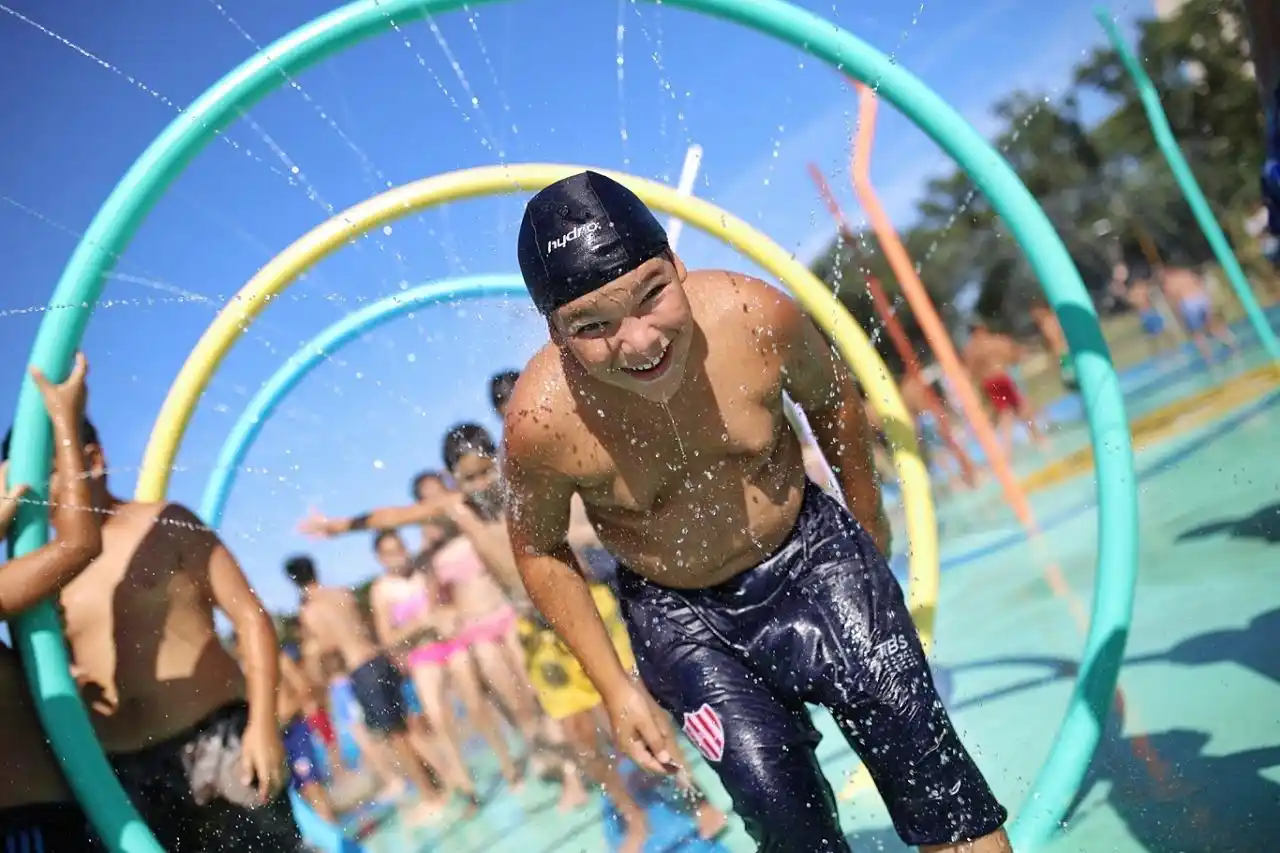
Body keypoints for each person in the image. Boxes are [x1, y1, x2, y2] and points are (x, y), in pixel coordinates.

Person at [502, 171, 1010, 852]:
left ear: (678, 265)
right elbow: (538, 547)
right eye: (592, 327)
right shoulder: (541, 421)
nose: (640, 343)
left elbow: (832, 397)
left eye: (652, 295)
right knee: (781, 814)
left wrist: (866, 519)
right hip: (681, 616)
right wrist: (615, 688)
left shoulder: (755, 317)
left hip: (812, 553)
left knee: (929, 764)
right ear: (556, 332)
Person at [35, 384, 301, 852]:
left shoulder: (164, 524)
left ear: (93, 459)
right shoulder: (46, 573)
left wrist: (262, 725)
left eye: (49, 474)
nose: (40, 494)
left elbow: (250, 616)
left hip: (216, 739)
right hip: (123, 768)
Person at [0, 354, 105, 851]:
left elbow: (78, 544)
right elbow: (80, 545)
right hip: (21, 828)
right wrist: (64, 420)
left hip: (58, 816)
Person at [284, 555, 446, 825]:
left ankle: (431, 796)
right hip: (380, 659)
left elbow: (330, 643)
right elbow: (359, 625)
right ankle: (442, 782)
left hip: (361, 669)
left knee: (397, 738)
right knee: (409, 727)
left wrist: (314, 651)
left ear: (294, 582)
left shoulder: (310, 611)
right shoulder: (341, 593)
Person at [368, 527, 511, 798]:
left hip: (451, 643)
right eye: (390, 553)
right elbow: (387, 638)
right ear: (380, 558)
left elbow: (453, 600)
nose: (398, 556)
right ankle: (466, 786)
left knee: (476, 705)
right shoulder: (381, 590)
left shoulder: (425, 570)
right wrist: (421, 623)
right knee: (438, 719)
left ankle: (508, 766)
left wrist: (449, 615)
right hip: (423, 654)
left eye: (400, 548)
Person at [961, 321, 1046, 453]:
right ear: (983, 328)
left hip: (989, 383)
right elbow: (1015, 355)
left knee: (1008, 411)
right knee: (1017, 409)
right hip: (1002, 378)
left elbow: (970, 373)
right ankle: (1036, 438)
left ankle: (1008, 448)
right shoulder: (997, 341)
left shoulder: (971, 350)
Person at [1159, 267, 1238, 362]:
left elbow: (1174, 296)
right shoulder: (1184, 272)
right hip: (1198, 300)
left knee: (1201, 332)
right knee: (1208, 328)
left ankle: (1211, 356)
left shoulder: (1173, 278)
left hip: (1192, 303)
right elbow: (1198, 282)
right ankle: (1229, 345)